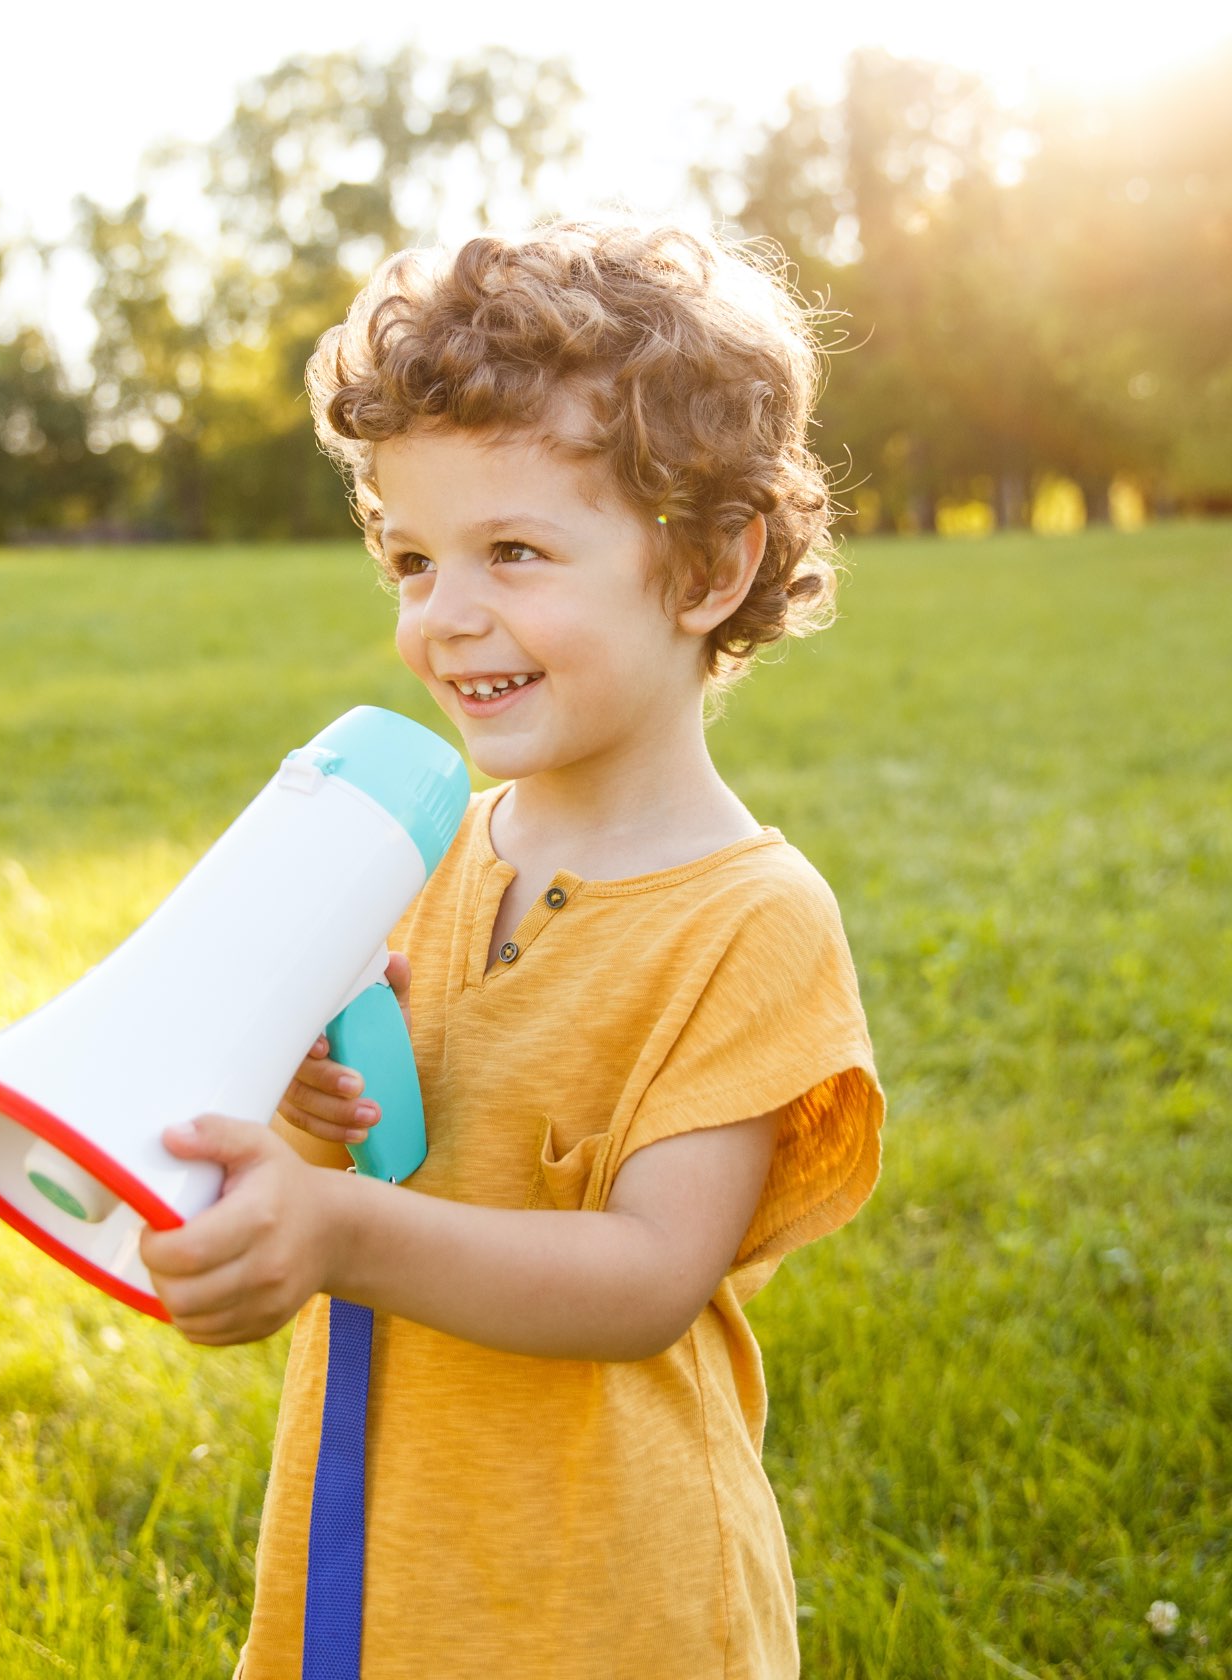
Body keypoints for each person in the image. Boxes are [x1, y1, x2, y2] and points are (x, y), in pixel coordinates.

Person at [139, 218, 886, 1678]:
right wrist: (304, 1136)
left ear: (709, 569)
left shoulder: (749, 919)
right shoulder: (419, 855)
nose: (446, 617)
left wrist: (342, 1233)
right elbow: (378, 1163)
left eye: (516, 551)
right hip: (376, 1562)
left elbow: (645, 1278)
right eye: (413, 557)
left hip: (607, 1600)